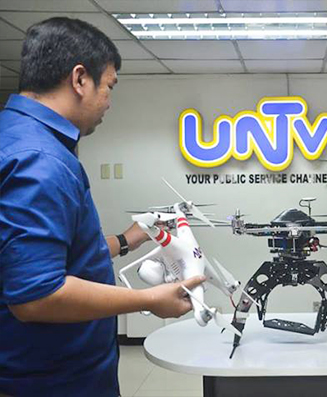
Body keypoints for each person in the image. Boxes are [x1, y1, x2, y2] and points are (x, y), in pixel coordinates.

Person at [0, 17, 205, 396]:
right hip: (52, 380)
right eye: (108, 86)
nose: (109, 101)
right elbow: (36, 296)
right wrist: (147, 300)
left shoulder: (18, 137)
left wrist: (128, 240)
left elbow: (51, 254)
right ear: (80, 79)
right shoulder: (39, 159)